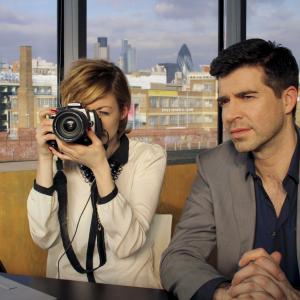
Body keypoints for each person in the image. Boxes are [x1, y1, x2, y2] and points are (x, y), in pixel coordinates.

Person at [160, 38, 300, 300]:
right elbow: (179, 257)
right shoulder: (214, 167)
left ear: (288, 100)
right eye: (225, 101)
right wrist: (225, 294)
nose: (229, 115)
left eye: (247, 97)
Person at [27, 59, 167, 289]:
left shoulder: (148, 157)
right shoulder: (60, 156)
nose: (92, 124)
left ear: (123, 111)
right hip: (66, 288)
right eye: (83, 113)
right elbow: (43, 238)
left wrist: (100, 167)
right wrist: (44, 157)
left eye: (102, 113)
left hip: (128, 290)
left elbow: (128, 244)